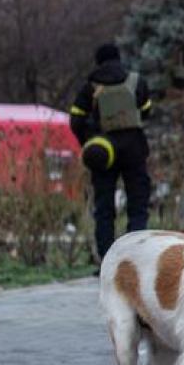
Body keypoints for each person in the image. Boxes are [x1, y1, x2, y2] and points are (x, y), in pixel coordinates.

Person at [69, 44, 153, 262]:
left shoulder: (90, 86)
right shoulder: (135, 81)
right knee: (138, 204)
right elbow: (147, 111)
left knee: (104, 208)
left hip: (103, 151)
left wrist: (89, 142)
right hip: (134, 147)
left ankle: (107, 260)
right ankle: (137, 258)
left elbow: (76, 119)